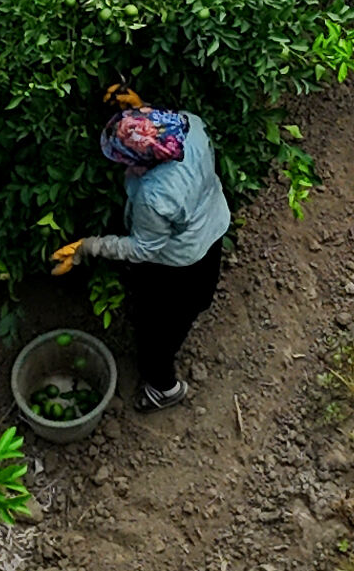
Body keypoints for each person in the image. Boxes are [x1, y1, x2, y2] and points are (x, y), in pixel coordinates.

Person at [52, 103, 232, 412]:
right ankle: (191, 309)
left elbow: (143, 249)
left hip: (179, 261)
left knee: (157, 331)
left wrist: (89, 246)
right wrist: (134, 115)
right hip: (213, 225)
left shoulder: (155, 195)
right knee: (197, 298)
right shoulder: (192, 127)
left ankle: (163, 388)